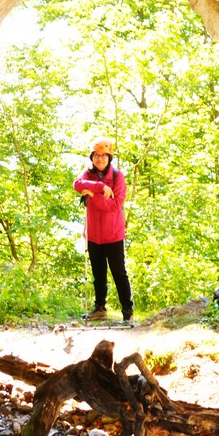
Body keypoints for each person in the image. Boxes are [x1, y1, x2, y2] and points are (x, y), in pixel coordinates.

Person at [73, 138, 133, 323]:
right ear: (92, 157)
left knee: (118, 272)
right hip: (93, 235)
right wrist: (100, 188)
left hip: (113, 234)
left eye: (103, 156)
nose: (99, 159)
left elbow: (115, 205)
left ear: (109, 158)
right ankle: (100, 308)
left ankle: (127, 311)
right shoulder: (88, 174)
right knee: (98, 274)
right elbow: (77, 184)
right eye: (96, 155)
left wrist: (92, 195)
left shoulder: (118, 177)